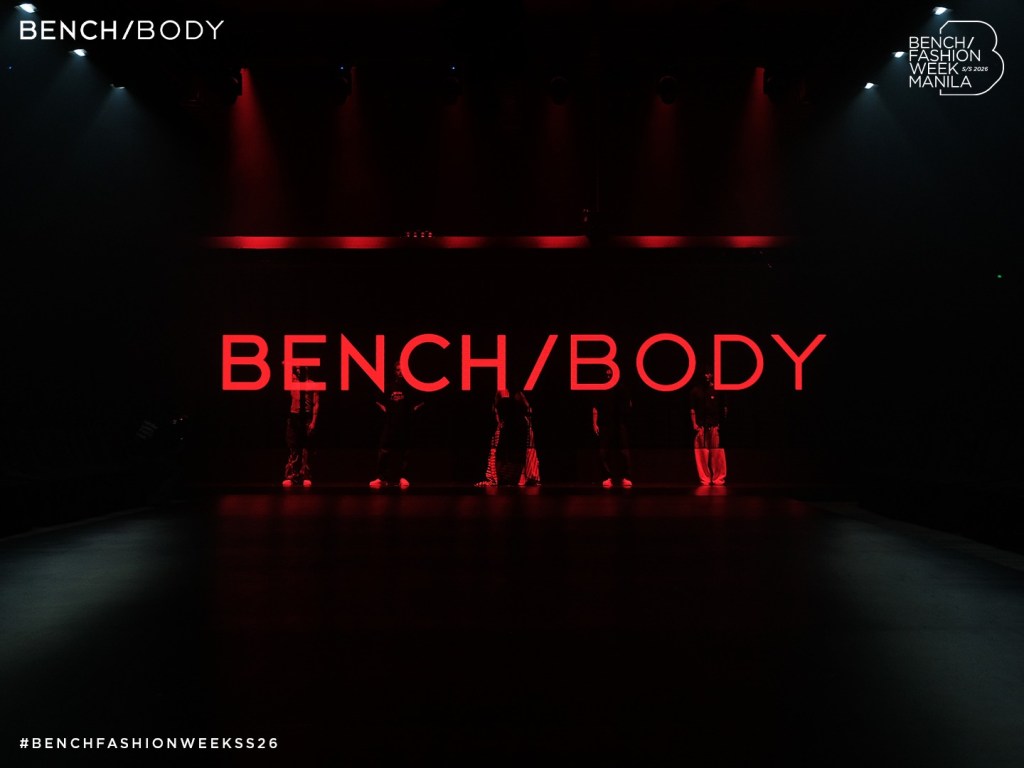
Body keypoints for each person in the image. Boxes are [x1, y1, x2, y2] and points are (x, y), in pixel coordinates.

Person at [369, 363, 423, 489]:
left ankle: (404, 477)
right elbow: (378, 401)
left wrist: (411, 412)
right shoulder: (390, 386)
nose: (400, 372)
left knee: (405, 451)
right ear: (395, 371)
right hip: (390, 423)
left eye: (403, 370)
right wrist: (387, 412)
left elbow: (421, 402)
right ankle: (381, 478)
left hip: (405, 424)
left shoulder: (410, 387)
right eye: (398, 370)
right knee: (384, 450)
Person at [592, 366, 633, 488]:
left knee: (624, 450)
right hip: (605, 423)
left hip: (620, 423)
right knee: (603, 451)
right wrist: (595, 423)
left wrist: (625, 419)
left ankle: (626, 476)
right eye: (607, 374)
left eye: (611, 374)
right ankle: (607, 477)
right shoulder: (601, 388)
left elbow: (629, 403)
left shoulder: (621, 387)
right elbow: (595, 407)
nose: (609, 376)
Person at [282, 365, 319, 488]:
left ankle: (306, 475)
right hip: (294, 416)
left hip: (306, 416)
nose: (298, 372)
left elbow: (316, 403)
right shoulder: (292, 382)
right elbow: (285, 365)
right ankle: (291, 476)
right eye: (297, 370)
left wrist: (313, 421)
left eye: (301, 370)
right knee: (293, 447)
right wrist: (292, 364)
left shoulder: (312, 384)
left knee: (306, 447)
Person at [690, 369, 727, 485]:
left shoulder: (717, 390)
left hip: (714, 425)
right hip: (701, 426)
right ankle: (705, 478)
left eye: (709, 373)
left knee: (717, 453)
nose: (707, 375)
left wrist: (721, 423)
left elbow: (724, 408)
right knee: (701, 454)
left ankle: (718, 478)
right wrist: (694, 424)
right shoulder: (696, 391)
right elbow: (692, 409)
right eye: (705, 373)